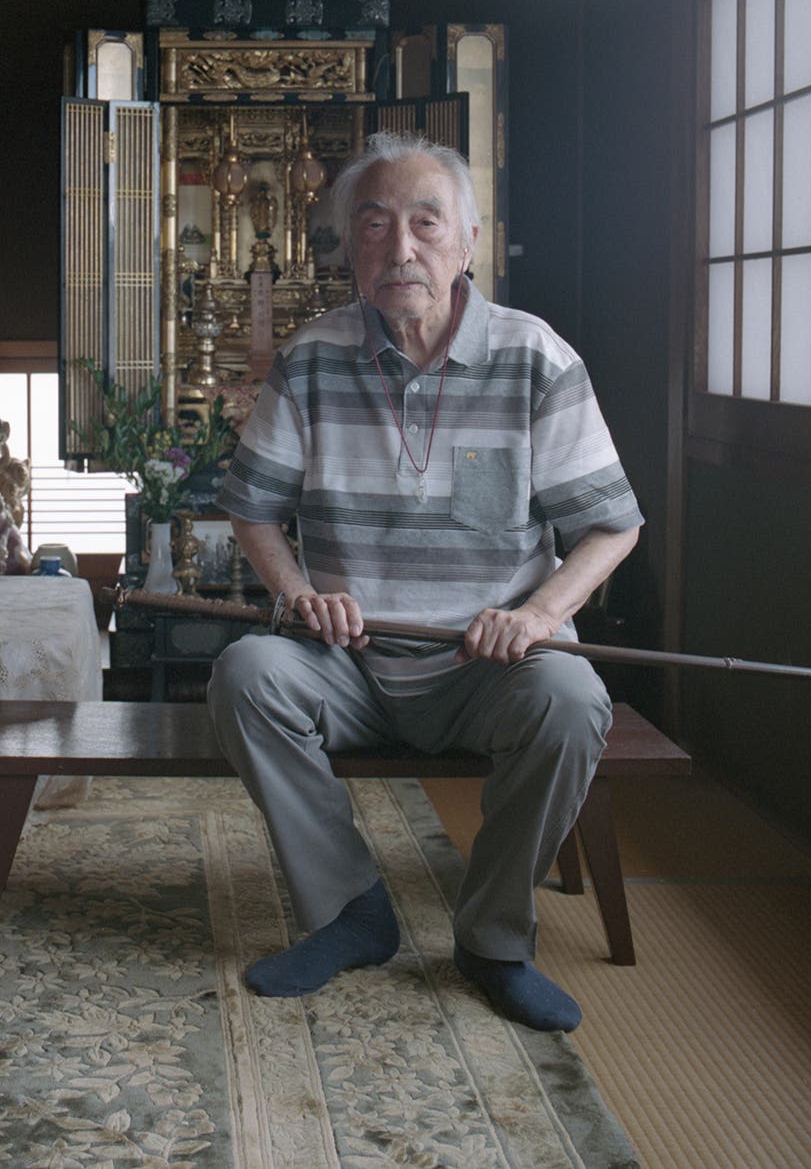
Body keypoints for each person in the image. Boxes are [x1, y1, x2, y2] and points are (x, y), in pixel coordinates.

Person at [208, 130, 642, 1033]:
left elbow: (612, 525)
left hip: (488, 666)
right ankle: (351, 912)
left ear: (468, 241)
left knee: (571, 696)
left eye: (424, 223)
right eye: (373, 225)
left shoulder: (535, 358)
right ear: (349, 246)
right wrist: (297, 595)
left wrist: (537, 614)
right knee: (247, 674)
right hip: (349, 659)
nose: (399, 247)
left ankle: (493, 940)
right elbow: (252, 511)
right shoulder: (311, 358)